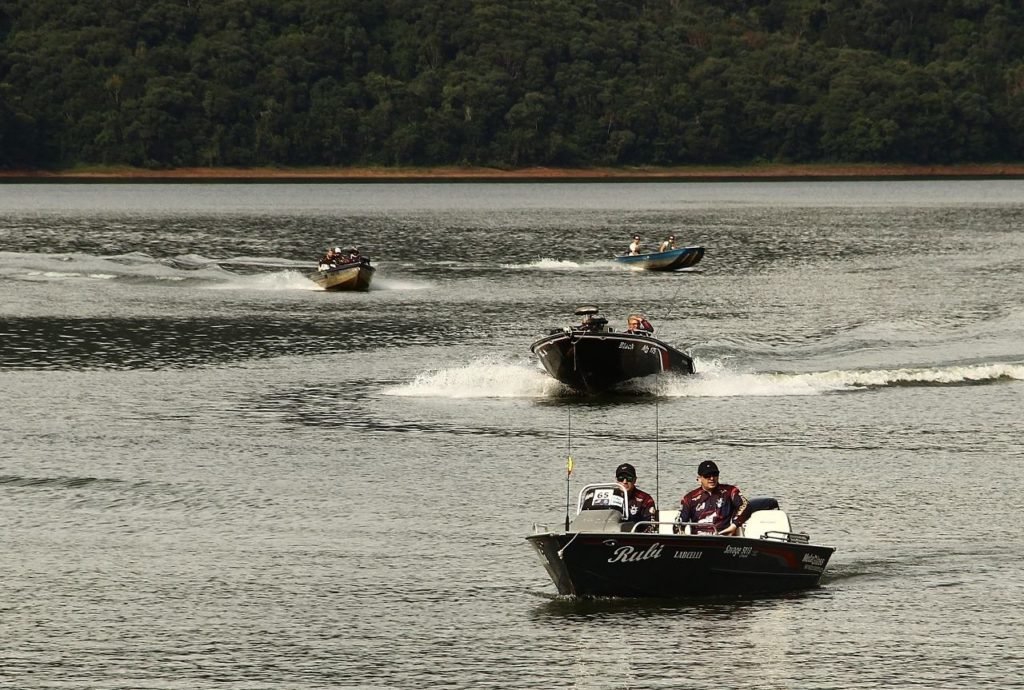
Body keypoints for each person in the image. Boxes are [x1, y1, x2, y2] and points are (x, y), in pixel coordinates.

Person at [675, 460, 749, 535]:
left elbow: (746, 505)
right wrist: (681, 533)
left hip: (723, 537)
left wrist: (734, 525)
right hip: (698, 539)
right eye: (707, 475)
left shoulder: (730, 491)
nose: (712, 478)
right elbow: (679, 522)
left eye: (715, 474)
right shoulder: (689, 498)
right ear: (699, 478)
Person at [615, 462, 657, 532]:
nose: (625, 481)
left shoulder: (645, 499)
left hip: (635, 537)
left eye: (629, 478)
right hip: (610, 534)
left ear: (635, 480)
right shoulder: (608, 496)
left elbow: (650, 525)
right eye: (621, 478)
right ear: (616, 480)